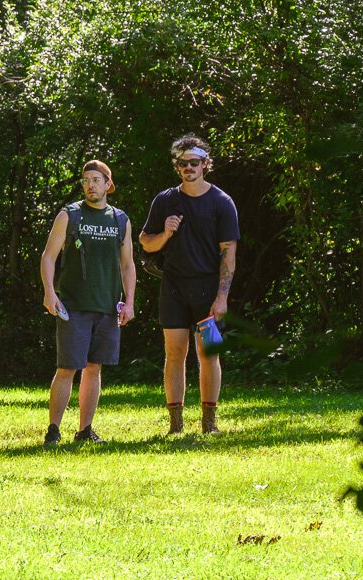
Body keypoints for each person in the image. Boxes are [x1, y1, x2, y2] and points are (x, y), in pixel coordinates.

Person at [139, 134, 239, 434]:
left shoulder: (222, 202)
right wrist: (166, 234)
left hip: (208, 289)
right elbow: (145, 242)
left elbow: (229, 253)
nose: (188, 168)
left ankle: (209, 424)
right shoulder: (165, 200)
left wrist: (222, 297)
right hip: (173, 288)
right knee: (174, 353)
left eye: (194, 162)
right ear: (177, 166)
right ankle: (176, 425)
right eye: (183, 163)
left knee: (209, 352)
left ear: (205, 164)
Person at [40, 160, 137, 444]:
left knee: (94, 367)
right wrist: (49, 292)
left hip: (107, 307)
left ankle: (85, 430)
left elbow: (128, 265)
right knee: (67, 368)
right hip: (73, 306)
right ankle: (53, 430)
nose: (90, 185)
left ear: (108, 184)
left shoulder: (120, 220)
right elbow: (48, 256)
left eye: (96, 180)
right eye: (86, 180)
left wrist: (129, 302)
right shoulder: (69, 215)